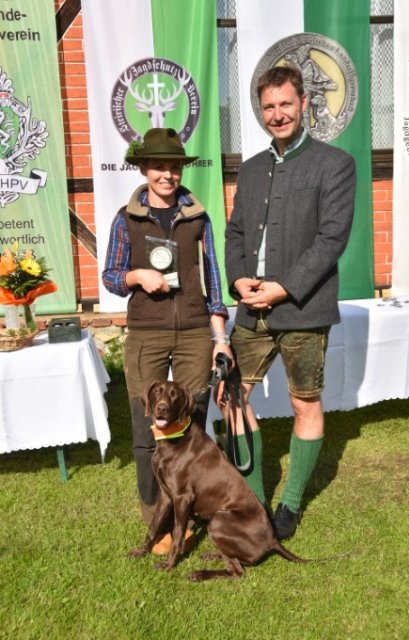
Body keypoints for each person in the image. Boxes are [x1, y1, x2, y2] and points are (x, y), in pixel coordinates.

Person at [224, 65, 356, 539]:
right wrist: (239, 279)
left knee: (305, 402)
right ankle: (255, 500)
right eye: (268, 107)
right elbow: (236, 230)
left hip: (303, 306)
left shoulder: (335, 164)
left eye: (285, 104)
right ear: (261, 112)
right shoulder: (252, 167)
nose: (277, 114)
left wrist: (283, 287)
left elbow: (331, 239)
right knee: (232, 396)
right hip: (250, 306)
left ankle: (291, 504)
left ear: (304, 104)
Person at [102, 127, 232, 554]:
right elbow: (111, 276)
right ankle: (155, 521)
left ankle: (187, 508)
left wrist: (219, 338)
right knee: (147, 430)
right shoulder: (126, 218)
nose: (167, 174)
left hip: (195, 331)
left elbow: (214, 278)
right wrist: (137, 276)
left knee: (190, 425)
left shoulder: (198, 217)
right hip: (146, 333)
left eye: (174, 167)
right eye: (159, 166)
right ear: (144, 168)